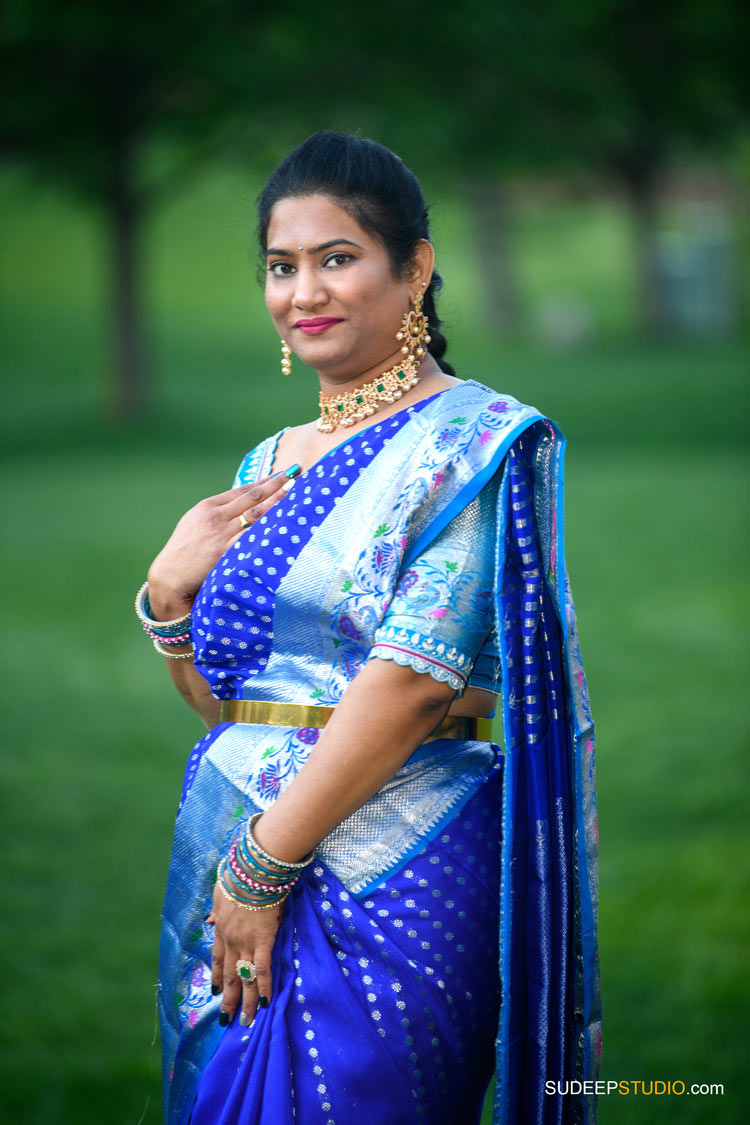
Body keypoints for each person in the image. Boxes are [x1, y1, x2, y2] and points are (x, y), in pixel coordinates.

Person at [138, 131, 600, 1125]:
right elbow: (238, 706)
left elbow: (417, 680)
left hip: (391, 861)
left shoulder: (473, 444)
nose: (304, 291)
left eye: (337, 258)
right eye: (282, 265)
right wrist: (170, 600)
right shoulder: (273, 454)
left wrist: (267, 862)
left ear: (417, 269)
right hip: (230, 852)